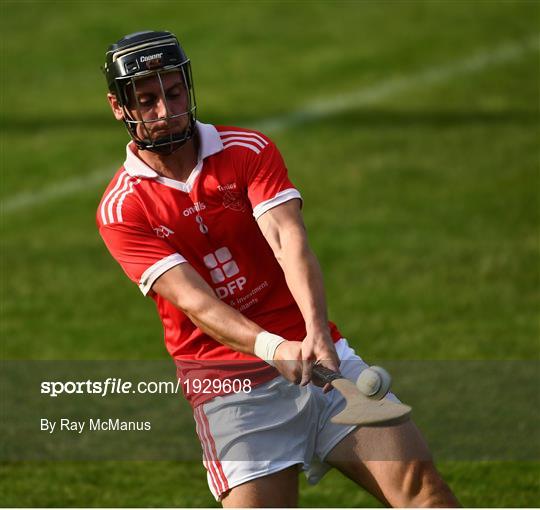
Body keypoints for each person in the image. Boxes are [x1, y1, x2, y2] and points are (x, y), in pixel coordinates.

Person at [97, 30, 459, 507]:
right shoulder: (122, 210)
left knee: (425, 493)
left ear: (188, 86)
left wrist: (317, 335)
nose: (164, 111)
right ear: (118, 106)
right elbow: (194, 303)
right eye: (146, 100)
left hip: (324, 362)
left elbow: (288, 239)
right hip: (231, 393)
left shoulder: (247, 150)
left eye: (173, 92)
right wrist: (272, 347)